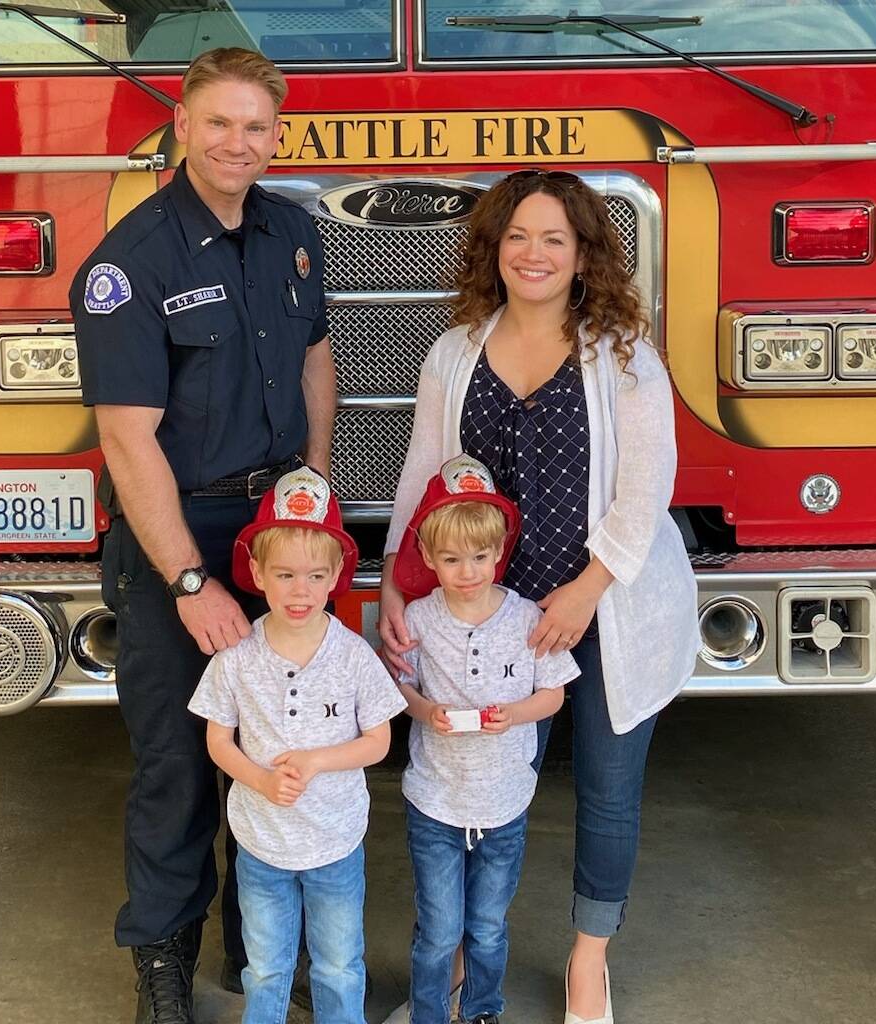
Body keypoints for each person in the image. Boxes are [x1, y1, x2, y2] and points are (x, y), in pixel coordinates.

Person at [378, 169, 698, 1024]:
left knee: (604, 786)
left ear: (585, 254)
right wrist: (393, 583)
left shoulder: (622, 353)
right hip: (485, 617)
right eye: (518, 235)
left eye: (556, 238)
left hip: (602, 612)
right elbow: (423, 478)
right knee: (469, 784)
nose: (534, 253)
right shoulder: (455, 352)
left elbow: (647, 484)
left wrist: (587, 593)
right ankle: (458, 961)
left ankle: (589, 959)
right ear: (494, 248)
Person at [69, 47, 336, 1024]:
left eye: (256, 126)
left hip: (279, 531)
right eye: (218, 123)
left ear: (277, 136)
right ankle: (163, 969)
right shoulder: (129, 264)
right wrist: (191, 581)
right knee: (182, 762)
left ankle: (263, 949)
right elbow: (125, 438)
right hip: (178, 532)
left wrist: (313, 493)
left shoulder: (292, 234)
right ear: (180, 127)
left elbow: (315, 361)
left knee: (288, 742)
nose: (238, 142)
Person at [188, 466, 406, 1024]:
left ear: (337, 574)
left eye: (314, 575)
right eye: (284, 574)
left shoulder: (354, 654)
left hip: (335, 841)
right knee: (265, 967)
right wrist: (259, 778)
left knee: (338, 965)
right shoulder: (236, 655)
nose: (300, 591)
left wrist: (317, 760)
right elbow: (218, 738)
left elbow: (378, 741)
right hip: (261, 845)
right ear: (256, 572)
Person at [392, 454, 579, 1024]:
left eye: (479, 556)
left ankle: (481, 1011)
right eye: (451, 559)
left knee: (489, 927)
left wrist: (515, 714)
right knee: (438, 929)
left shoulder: (526, 619)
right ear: (428, 556)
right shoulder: (420, 619)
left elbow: (555, 694)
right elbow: (400, 689)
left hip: (504, 803)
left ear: (500, 550)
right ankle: (429, 1012)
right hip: (435, 800)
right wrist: (428, 711)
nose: (468, 570)